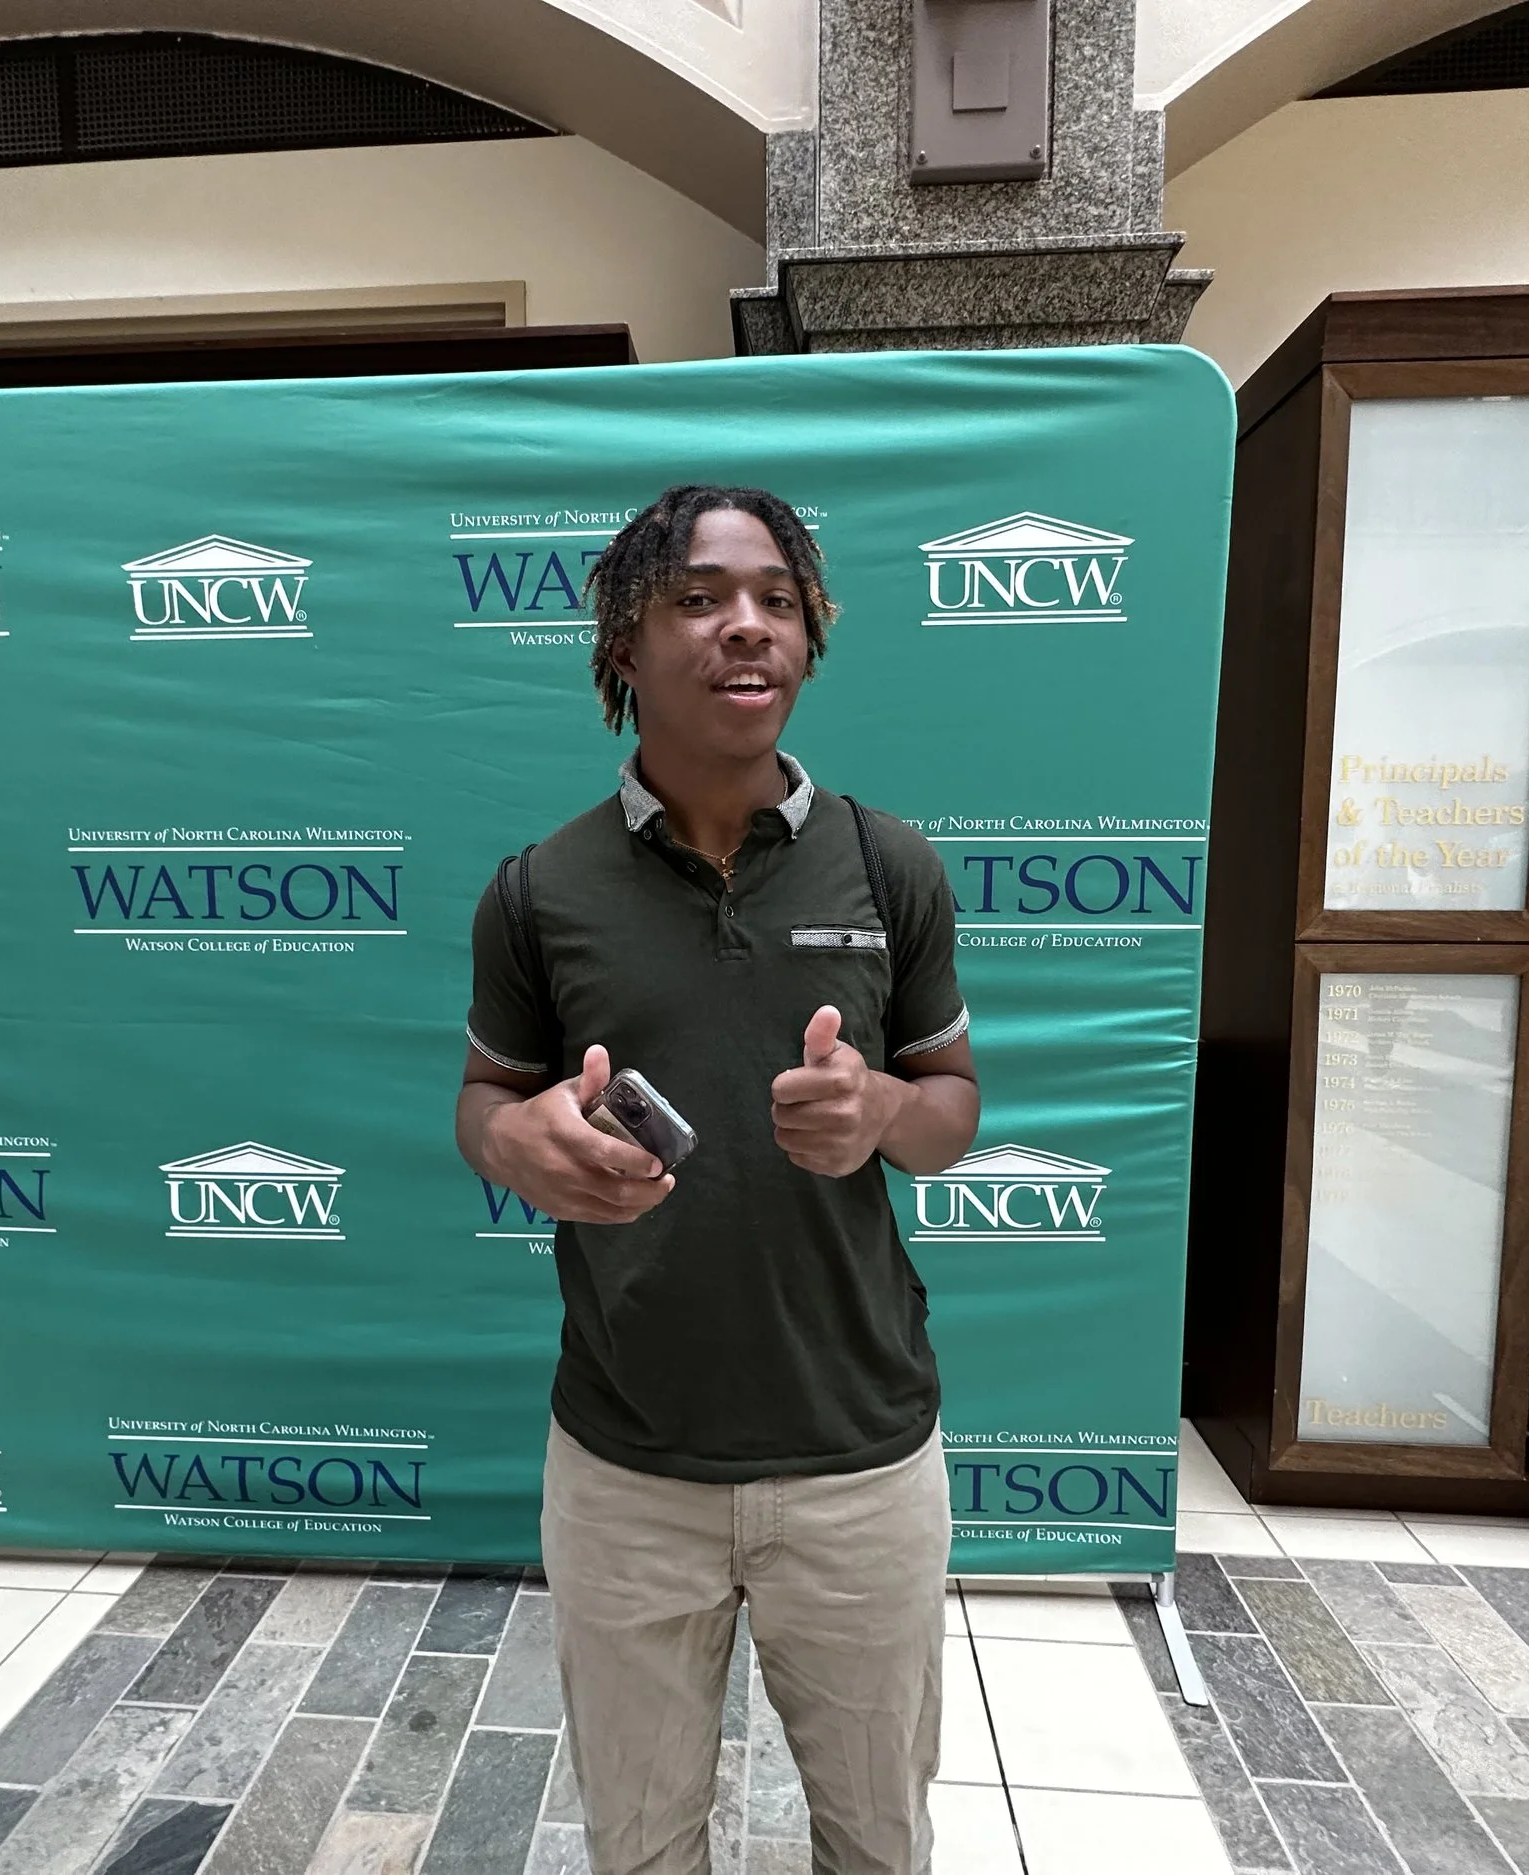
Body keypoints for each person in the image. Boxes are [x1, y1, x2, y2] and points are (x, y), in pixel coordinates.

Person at [455, 485, 981, 1875]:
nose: (747, 625)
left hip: (861, 1460)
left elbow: (952, 1113)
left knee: (879, 1842)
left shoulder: (890, 864)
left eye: (776, 599)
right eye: (698, 597)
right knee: (640, 1846)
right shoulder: (537, 890)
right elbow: (484, 1105)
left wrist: (880, 1109)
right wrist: (518, 1146)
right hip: (627, 1467)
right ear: (623, 647)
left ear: (809, 639)